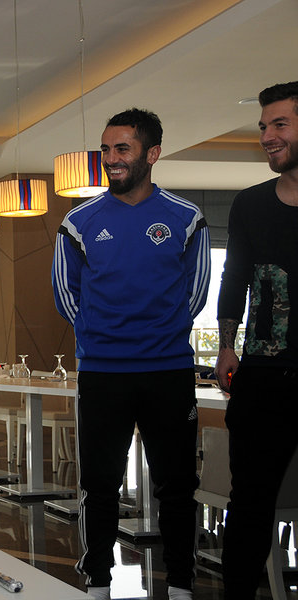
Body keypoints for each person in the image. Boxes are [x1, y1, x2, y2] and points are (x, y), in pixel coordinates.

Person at [52, 108, 211, 600]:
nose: (110, 158)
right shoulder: (78, 222)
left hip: (169, 371)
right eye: (105, 149)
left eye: (122, 148)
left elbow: (196, 292)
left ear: (152, 153)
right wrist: (101, 338)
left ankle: (181, 585)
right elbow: (66, 295)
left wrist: (159, 336)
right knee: (99, 485)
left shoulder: (187, 218)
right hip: (103, 374)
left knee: (176, 486)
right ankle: (98, 584)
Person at [215, 80, 298, 599]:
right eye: (263, 126)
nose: (267, 135)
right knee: (248, 505)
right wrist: (227, 345)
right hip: (263, 378)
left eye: (280, 124)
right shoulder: (249, 205)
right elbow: (235, 278)